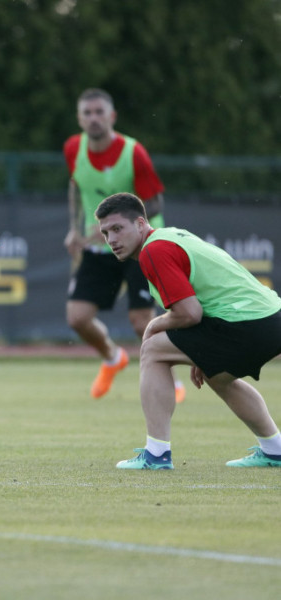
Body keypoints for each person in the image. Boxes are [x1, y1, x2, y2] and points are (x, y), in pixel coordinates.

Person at [96, 192, 281, 469]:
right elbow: (204, 301)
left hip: (246, 321)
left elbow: (189, 313)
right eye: (105, 233)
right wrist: (200, 352)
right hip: (270, 317)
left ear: (140, 223)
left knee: (153, 349)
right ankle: (275, 449)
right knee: (218, 377)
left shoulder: (153, 251)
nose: (111, 239)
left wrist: (152, 326)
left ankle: (157, 454)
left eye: (117, 228)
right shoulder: (169, 236)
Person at [63, 88, 185, 402]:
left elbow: (155, 204)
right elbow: (75, 185)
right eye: (87, 113)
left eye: (99, 112)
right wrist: (74, 229)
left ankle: (171, 379)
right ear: (79, 118)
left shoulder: (133, 153)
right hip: (98, 247)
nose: (93, 118)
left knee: (142, 322)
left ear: (112, 116)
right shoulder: (73, 148)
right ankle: (112, 357)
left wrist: (119, 227)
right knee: (77, 317)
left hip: (141, 248)